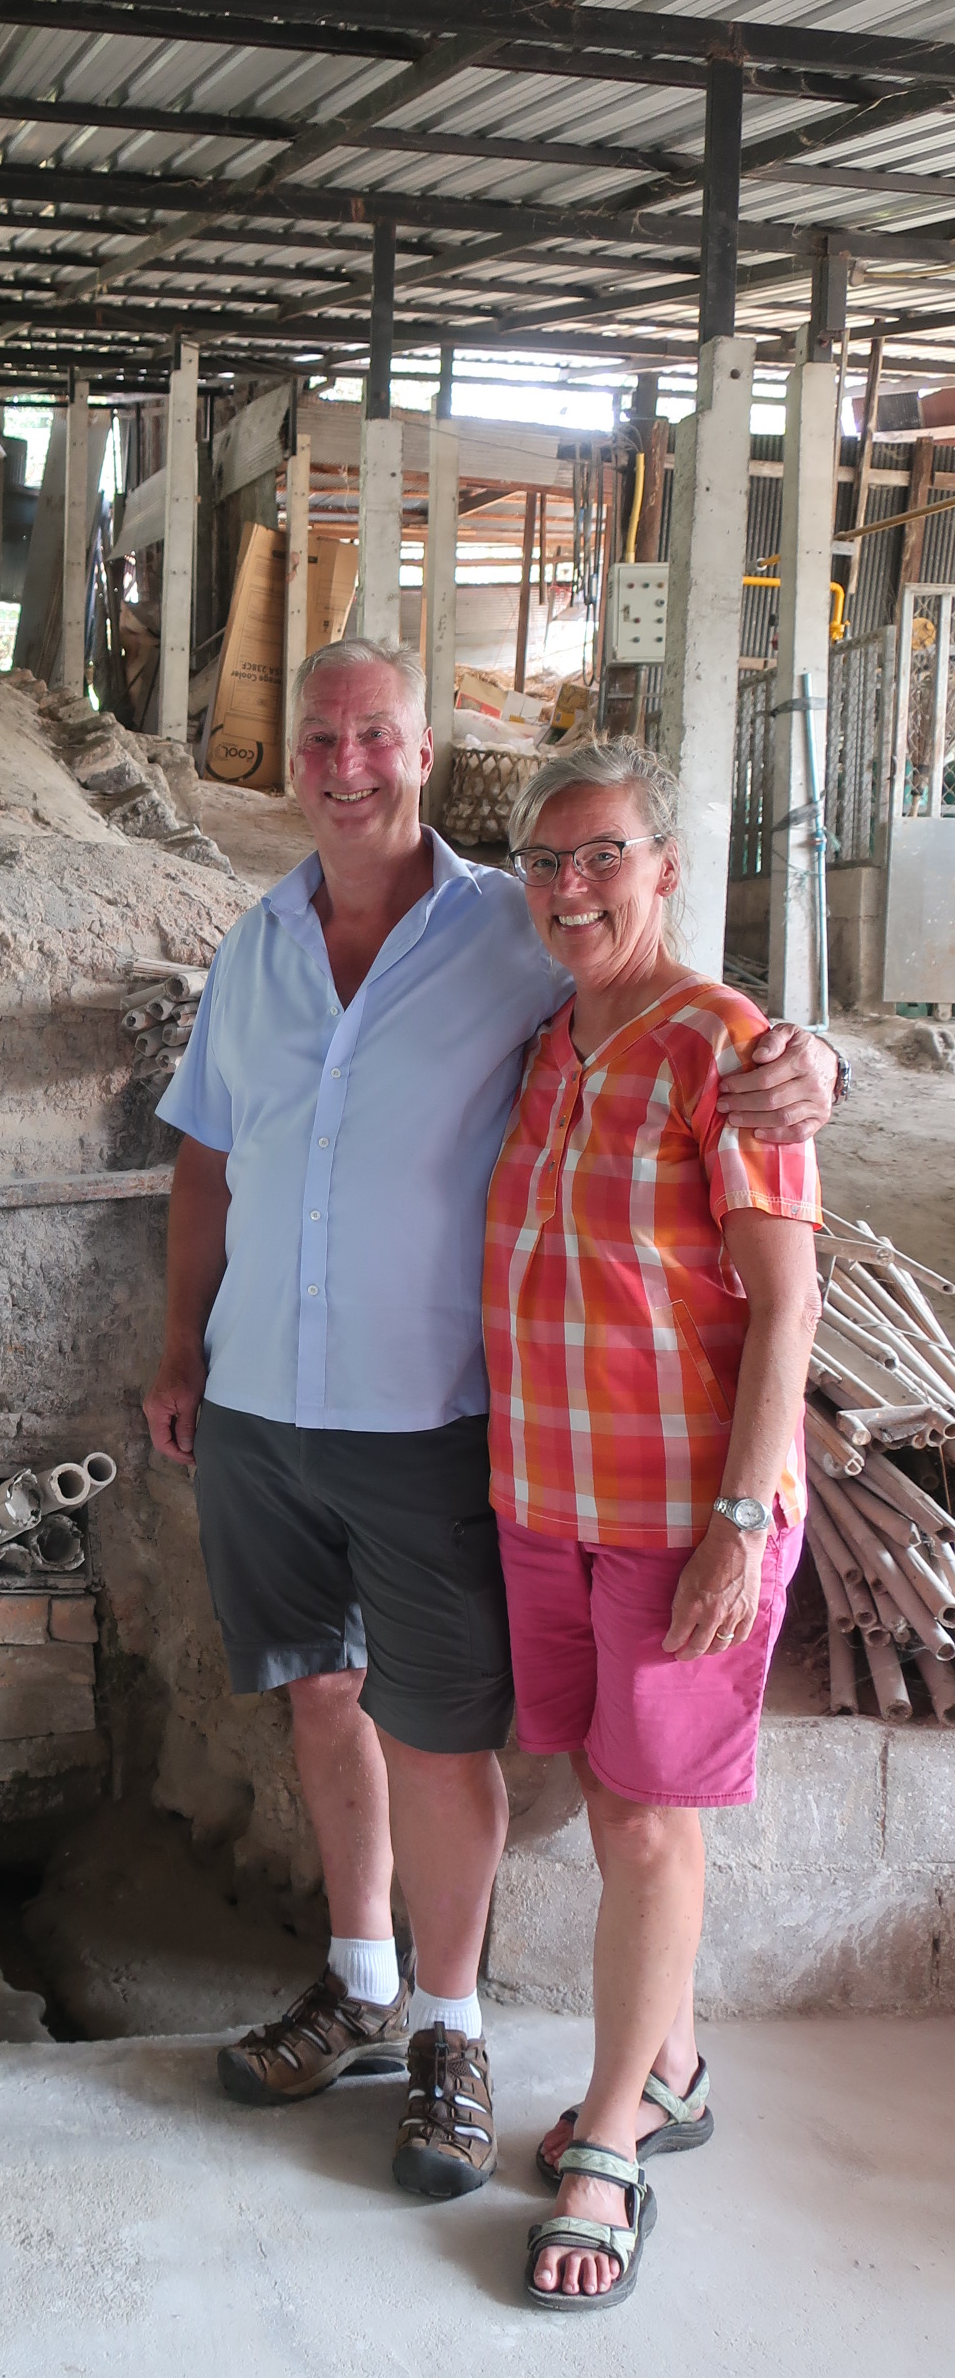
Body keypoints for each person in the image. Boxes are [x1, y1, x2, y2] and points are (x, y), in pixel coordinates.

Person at [143, 639, 838, 2201]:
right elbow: (206, 1158)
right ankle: (362, 1986)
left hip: (437, 1424)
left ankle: (456, 2034)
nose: (345, 764)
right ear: (290, 759)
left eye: (374, 734)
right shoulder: (257, 944)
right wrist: (181, 1348)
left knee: (443, 1731)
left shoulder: (507, 933)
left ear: (423, 749)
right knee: (321, 1693)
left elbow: (698, 1017)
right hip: (267, 1405)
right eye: (319, 738)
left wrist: (816, 1055)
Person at [484, 739, 820, 2310]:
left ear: (667, 868)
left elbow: (789, 1299)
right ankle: (670, 2066)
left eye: (604, 854)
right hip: (547, 1495)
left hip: (682, 1510)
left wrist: (743, 1521)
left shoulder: (722, 1045)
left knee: (643, 1820)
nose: (573, 886)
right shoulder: (549, 1043)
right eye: (548, 862)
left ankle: (613, 2145)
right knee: (609, 1789)